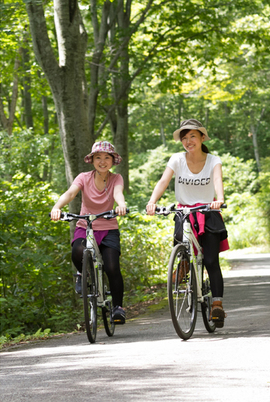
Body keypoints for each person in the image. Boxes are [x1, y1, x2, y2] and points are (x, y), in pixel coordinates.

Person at [146, 119, 229, 328]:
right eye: (184, 138)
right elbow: (163, 181)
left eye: (192, 136)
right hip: (184, 212)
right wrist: (152, 202)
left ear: (202, 137)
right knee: (182, 248)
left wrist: (219, 198)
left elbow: (218, 180)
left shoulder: (213, 160)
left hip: (208, 212)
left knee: (210, 261)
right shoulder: (176, 159)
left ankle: (216, 304)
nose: (188, 141)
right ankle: (184, 263)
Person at [51, 141, 128, 324]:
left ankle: (117, 308)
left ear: (113, 160)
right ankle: (81, 273)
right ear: (92, 160)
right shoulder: (83, 177)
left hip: (108, 228)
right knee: (77, 251)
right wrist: (57, 207)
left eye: (107, 158)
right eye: (98, 158)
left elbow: (118, 193)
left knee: (112, 267)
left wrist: (121, 205)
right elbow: (70, 194)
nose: (102, 161)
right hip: (85, 226)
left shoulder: (116, 178)